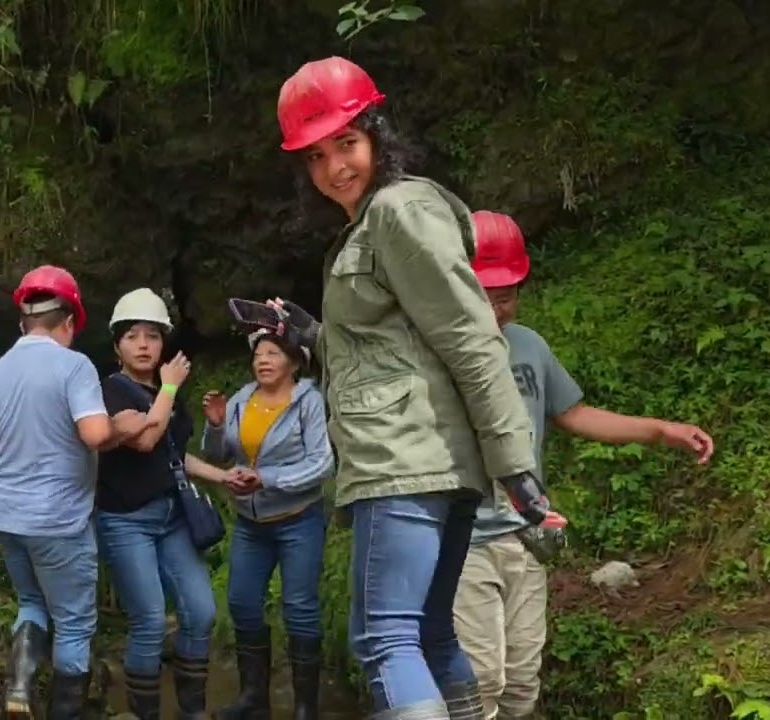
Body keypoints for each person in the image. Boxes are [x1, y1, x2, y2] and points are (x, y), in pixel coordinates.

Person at [270, 56, 564, 720]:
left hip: (401, 461)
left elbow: (469, 333)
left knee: (385, 642)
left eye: (346, 143)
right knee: (429, 636)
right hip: (434, 462)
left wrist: (515, 464)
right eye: (315, 156)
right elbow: (392, 351)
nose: (334, 167)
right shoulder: (371, 225)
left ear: (377, 133)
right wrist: (311, 336)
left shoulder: (398, 212)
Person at [454, 210, 715, 720]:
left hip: (527, 535)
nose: (496, 308)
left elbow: (573, 413)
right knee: (480, 675)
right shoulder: (441, 352)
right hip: (462, 539)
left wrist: (660, 430)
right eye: (483, 294)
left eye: (506, 295)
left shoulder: (529, 347)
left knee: (522, 678)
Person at [0, 266, 118, 720]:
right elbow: (93, 433)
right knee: (73, 622)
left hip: (7, 515)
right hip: (59, 520)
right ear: (69, 321)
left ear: (23, 323)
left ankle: (18, 688)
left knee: (31, 602)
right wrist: (118, 428)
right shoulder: (75, 366)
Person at [95, 288, 229, 720]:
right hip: (125, 521)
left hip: (171, 518)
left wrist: (223, 475)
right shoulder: (109, 393)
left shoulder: (169, 393)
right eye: (132, 336)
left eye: (152, 336)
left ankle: (193, 711)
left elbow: (172, 453)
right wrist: (169, 386)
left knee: (201, 612)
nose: (143, 345)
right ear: (117, 346)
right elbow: (146, 437)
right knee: (150, 622)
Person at [200, 329, 334, 720]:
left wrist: (269, 480)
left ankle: (306, 706)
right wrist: (214, 425)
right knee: (241, 603)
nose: (263, 360)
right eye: (259, 353)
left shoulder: (308, 402)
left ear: (294, 362)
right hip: (250, 523)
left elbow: (322, 463)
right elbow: (217, 454)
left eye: (273, 353)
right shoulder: (243, 399)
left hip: (299, 520)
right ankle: (254, 699)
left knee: (300, 609)